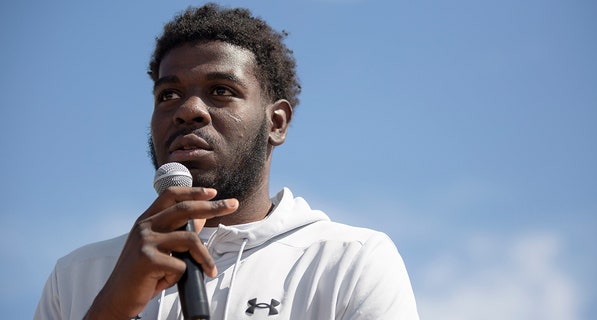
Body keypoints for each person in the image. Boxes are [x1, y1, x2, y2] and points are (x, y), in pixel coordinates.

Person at [34, 3, 419, 319]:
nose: (188, 110)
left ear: (277, 122)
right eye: (168, 95)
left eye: (221, 91)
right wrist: (110, 307)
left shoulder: (346, 260)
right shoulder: (77, 275)